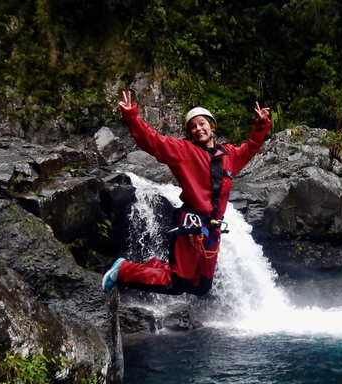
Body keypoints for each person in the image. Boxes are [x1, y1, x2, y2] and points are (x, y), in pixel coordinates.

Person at [102, 91, 272, 296]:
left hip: (212, 229)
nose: (198, 129)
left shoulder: (229, 155)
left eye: (202, 124)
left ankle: (153, 266)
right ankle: (123, 270)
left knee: (201, 286)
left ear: (212, 126)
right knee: (178, 284)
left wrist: (261, 124)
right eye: (193, 126)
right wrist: (131, 116)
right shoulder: (184, 151)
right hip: (191, 225)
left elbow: (251, 147)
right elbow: (152, 140)